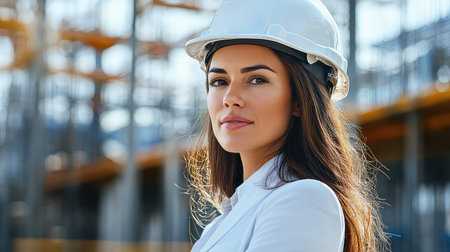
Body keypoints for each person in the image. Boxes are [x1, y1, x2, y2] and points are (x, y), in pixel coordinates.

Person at [184, 0, 390, 251]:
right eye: (218, 81)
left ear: (300, 101)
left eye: (257, 79)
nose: (230, 98)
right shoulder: (220, 224)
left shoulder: (305, 201)